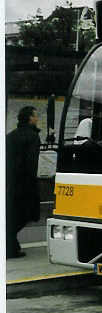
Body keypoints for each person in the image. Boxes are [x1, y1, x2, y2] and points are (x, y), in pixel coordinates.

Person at [6, 106, 41, 258]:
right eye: (35, 116)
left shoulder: (11, 135)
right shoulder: (32, 136)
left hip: (11, 180)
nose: (37, 118)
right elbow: (31, 162)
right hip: (26, 181)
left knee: (14, 213)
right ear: (30, 118)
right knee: (26, 213)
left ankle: (11, 244)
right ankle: (9, 244)